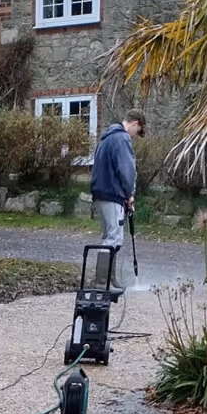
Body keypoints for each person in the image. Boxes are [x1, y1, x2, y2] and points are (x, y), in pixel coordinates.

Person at [90, 110, 146, 288]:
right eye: (138, 131)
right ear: (136, 123)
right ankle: (101, 281)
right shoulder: (122, 138)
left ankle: (109, 279)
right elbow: (127, 170)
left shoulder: (106, 138)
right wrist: (129, 195)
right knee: (114, 238)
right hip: (112, 194)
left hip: (100, 193)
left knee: (108, 235)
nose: (136, 135)